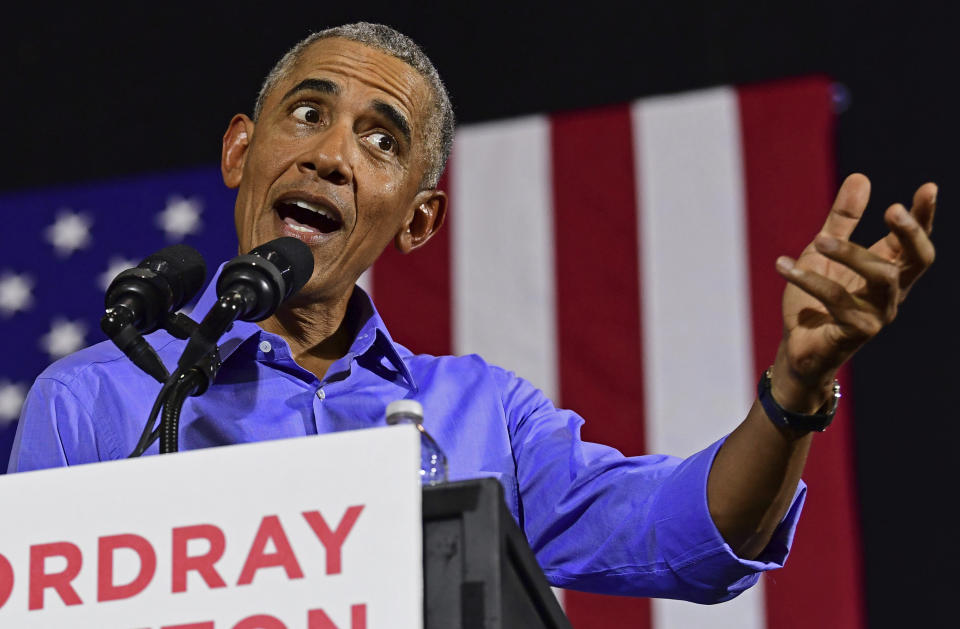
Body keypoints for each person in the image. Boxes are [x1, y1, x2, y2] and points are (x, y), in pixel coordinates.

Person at [8, 23, 937, 603]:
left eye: (381, 140)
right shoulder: (94, 397)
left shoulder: (484, 415)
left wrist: (796, 386)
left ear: (419, 219)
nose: (332, 155)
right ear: (240, 151)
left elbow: (687, 538)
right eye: (306, 115)